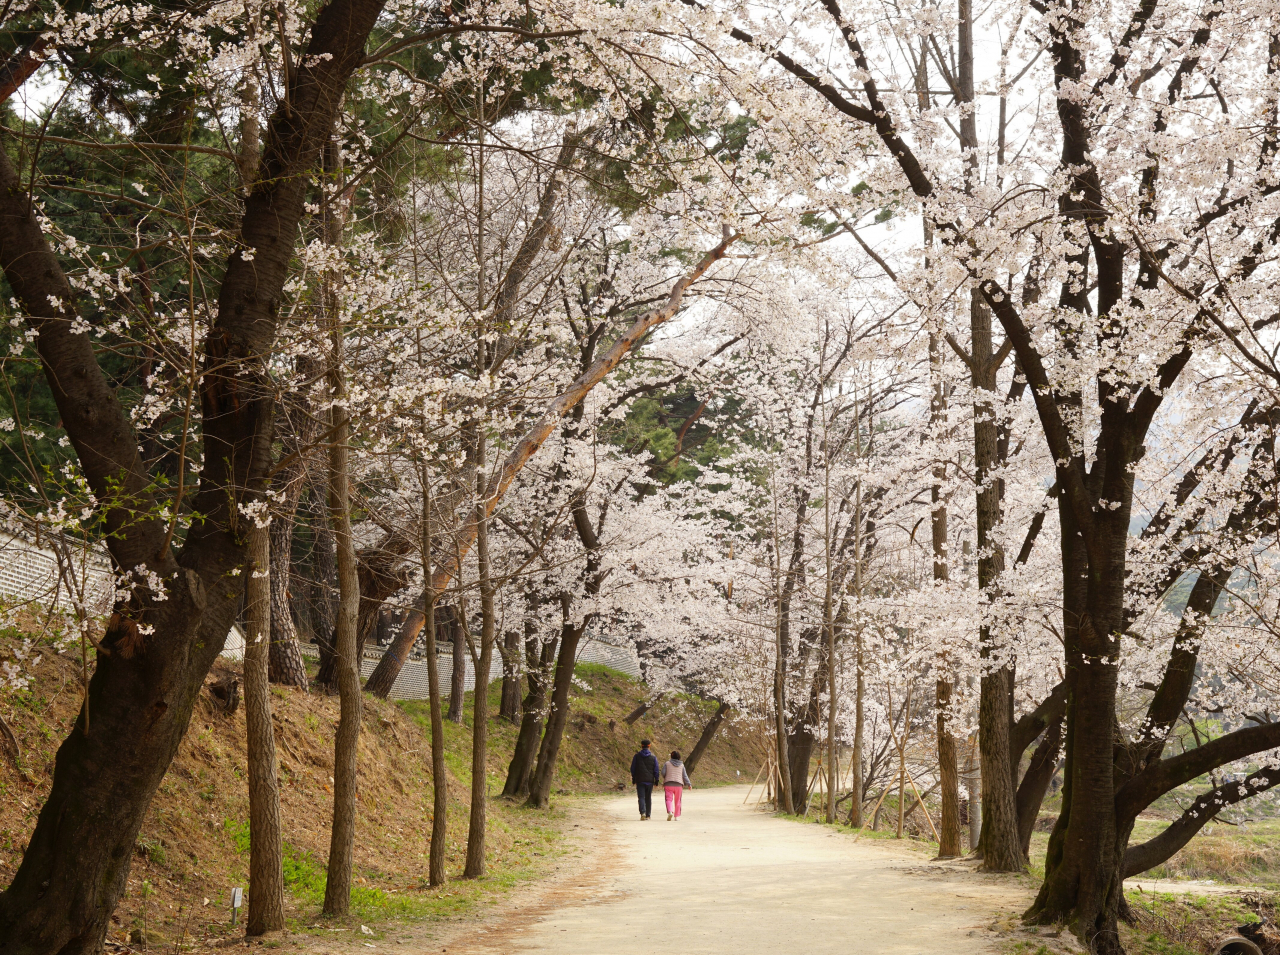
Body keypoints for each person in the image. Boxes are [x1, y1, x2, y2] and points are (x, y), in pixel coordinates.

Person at [630, 738, 660, 820]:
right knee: (648, 798)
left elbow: (633, 768)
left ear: (641, 746)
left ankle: (642, 812)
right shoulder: (653, 757)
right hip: (649, 781)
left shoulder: (636, 756)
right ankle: (648, 815)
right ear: (649, 746)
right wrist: (656, 780)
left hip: (640, 780)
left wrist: (634, 778)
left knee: (641, 797)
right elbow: (656, 769)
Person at [662, 750, 692, 821]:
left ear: (671, 756)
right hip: (678, 785)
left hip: (668, 784)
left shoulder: (667, 763)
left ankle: (670, 811)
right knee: (678, 800)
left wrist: (666, 777)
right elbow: (685, 776)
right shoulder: (682, 765)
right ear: (679, 757)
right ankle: (677, 816)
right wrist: (689, 784)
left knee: (668, 799)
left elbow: (663, 772)